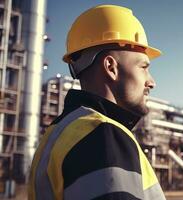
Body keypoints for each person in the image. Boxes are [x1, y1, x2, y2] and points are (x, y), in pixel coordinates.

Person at [28, 4, 166, 200]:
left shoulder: (58, 133)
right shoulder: (103, 135)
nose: (151, 82)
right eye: (143, 67)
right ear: (111, 67)